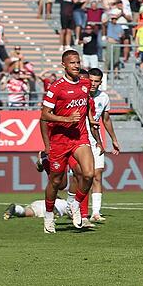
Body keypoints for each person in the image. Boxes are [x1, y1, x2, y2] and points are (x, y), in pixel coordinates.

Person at [40, 50, 102, 234]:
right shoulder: (56, 87)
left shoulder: (85, 84)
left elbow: (87, 105)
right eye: (72, 63)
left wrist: (91, 119)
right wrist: (65, 121)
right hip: (59, 140)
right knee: (57, 181)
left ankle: (75, 204)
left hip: (79, 137)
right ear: (64, 65)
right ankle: (49, 215)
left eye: (78, 62)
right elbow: (44, 115)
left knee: (89, 174)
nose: (76, 65)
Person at [87, 68, 119, 222]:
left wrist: (113, 139)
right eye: (90, 80)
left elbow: (106, 119)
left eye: (96, 81)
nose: (93, 84)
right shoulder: (80, 95)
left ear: (100, 82)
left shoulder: (104, 97)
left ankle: (95, 213)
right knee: (81, 178)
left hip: (96, 141)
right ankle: (74, 208)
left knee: (97, 175)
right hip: (79, 141)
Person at [3, 198, 69, 220]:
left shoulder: (61, 200)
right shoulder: (68, 205)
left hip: (41, 202)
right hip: (49, 208)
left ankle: (16, 208)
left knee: (27, 211)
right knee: (29, 213)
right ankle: (54, 211)